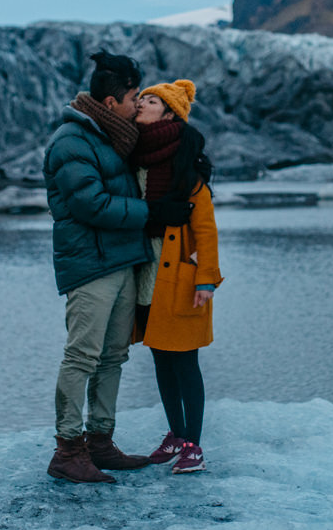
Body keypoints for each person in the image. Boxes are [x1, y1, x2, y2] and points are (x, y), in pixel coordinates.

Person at [43, 51, 193, 483]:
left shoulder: (111, 137)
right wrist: (152, 213)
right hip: (91, 265)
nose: (137, 103)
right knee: (82, 356)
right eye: (133, 97)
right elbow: (89, 204)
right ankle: (68, 450)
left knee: (113, 356)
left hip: (122, 259)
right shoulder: (72, 141)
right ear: (111, 103)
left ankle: (101, 443)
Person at [129, 79, 221, 474]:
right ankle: (175, 434)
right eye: (142, 98)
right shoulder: (135, 159)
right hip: (146, 275)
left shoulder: (187, 168)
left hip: (181, 282)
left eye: (150, 101)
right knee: (161, 360)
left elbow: (206, 230)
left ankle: (193, 447)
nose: (141, 104)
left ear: (169, 113)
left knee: (185, 363)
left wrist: (206, 280)